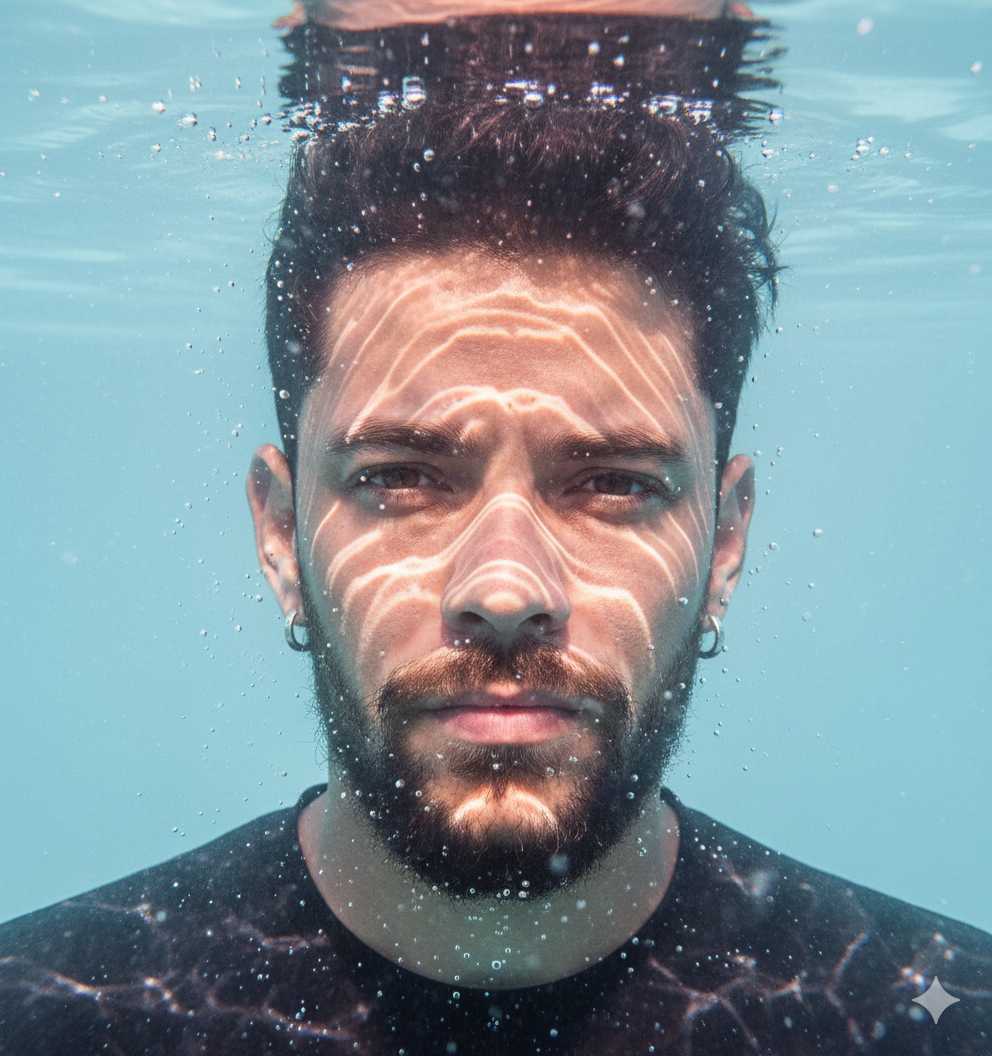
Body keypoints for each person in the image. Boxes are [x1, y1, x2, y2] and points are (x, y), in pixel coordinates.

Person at [1, 12, 990, 1056]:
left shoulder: (937, 1021)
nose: (507, 589)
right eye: (401, 480)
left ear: (725, 544)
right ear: (282, 535)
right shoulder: (42, 1017)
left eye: (611, 485)